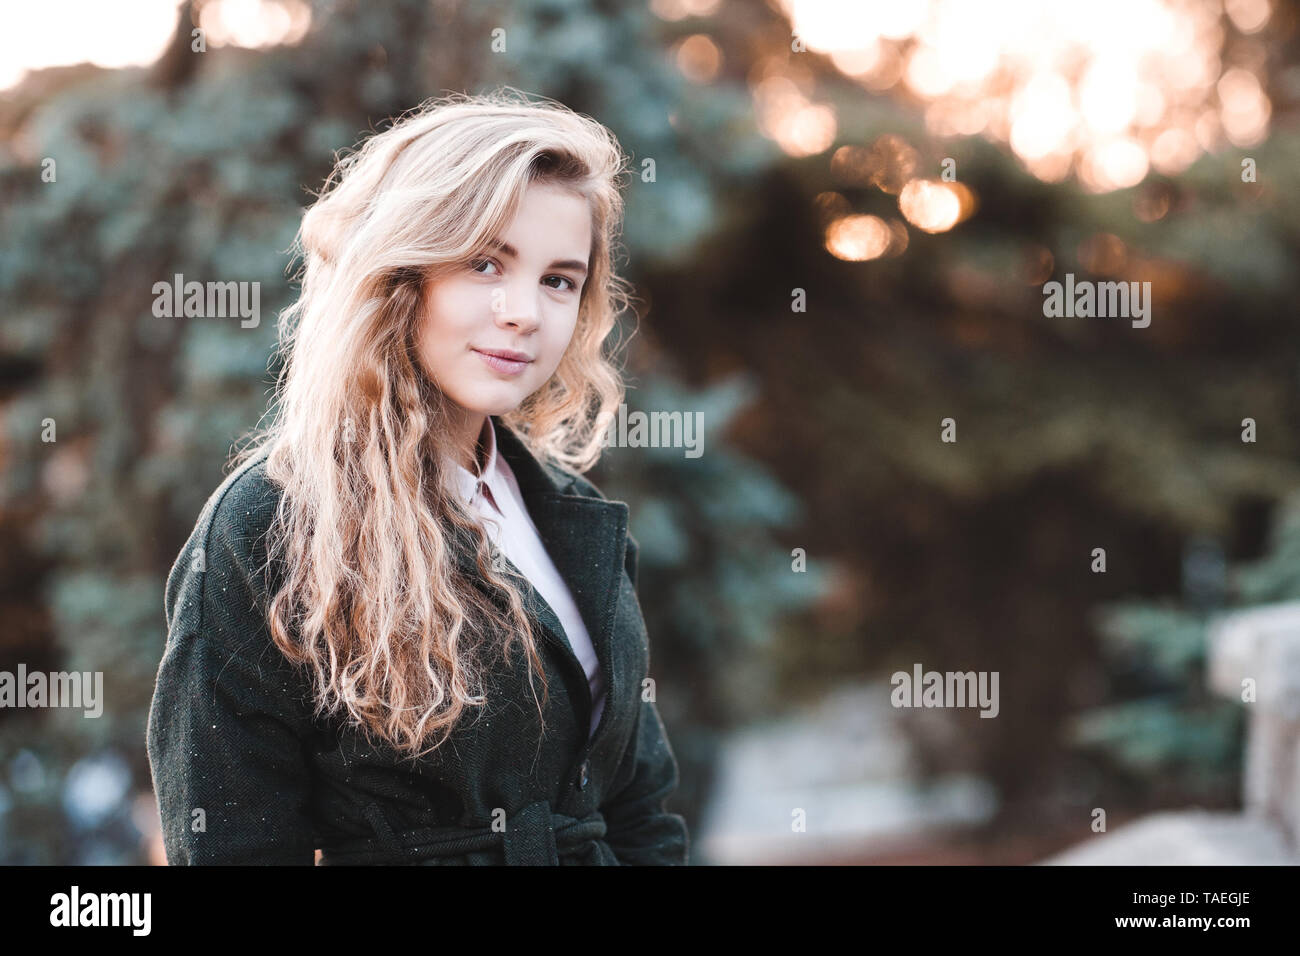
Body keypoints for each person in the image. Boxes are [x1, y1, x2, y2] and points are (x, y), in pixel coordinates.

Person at [145, 88, 688, 865]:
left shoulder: (574, 517)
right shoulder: (267, 523)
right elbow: (234, 845)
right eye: (484, 262)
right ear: (403, 274)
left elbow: (639, 808)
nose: (524, 312)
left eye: (559, 279)